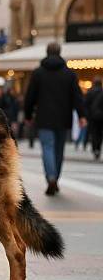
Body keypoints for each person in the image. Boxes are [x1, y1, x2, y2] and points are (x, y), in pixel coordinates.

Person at [24, 42, 86, 196]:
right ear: (60, 52)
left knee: (47, 148)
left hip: (44, 117)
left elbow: (30, 96)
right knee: (59, 150)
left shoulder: (38, 73)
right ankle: (55, 178)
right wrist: (82, 115)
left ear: (46, 52)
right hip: (63, 118)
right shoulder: (70, 74)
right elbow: (77, 97)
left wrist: (28, 115)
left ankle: (51, 177)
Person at [86, 79, 103, 160]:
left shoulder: (90, 92)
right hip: (101, 117)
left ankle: (94, 149)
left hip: (92, 116)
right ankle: (98, 149)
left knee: (93, 133)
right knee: (99, 133)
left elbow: (85, 104)